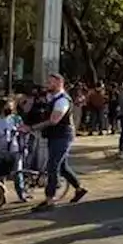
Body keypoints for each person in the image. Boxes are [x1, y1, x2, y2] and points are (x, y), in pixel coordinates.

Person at [25, 72, 88, 211]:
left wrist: (31, 128)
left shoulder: (62, 101)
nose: (47, 85)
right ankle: (79, 188)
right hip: (55, 136)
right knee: (62, 166)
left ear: (59, 83)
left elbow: (54, 120)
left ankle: (50, 200)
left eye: (50, 83)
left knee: (52, 167)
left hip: (62, 137)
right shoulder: (51, 98)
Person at [0, 98, 27, 201]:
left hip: (15, 149)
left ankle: (21, 194)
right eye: (8, 106)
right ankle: (1, 196)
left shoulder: (16, 119)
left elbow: (23, 132)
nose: (10, 108)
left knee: (18, 173)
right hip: (0, 150)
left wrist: (24, 146)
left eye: (12, 106)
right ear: (1, 107)